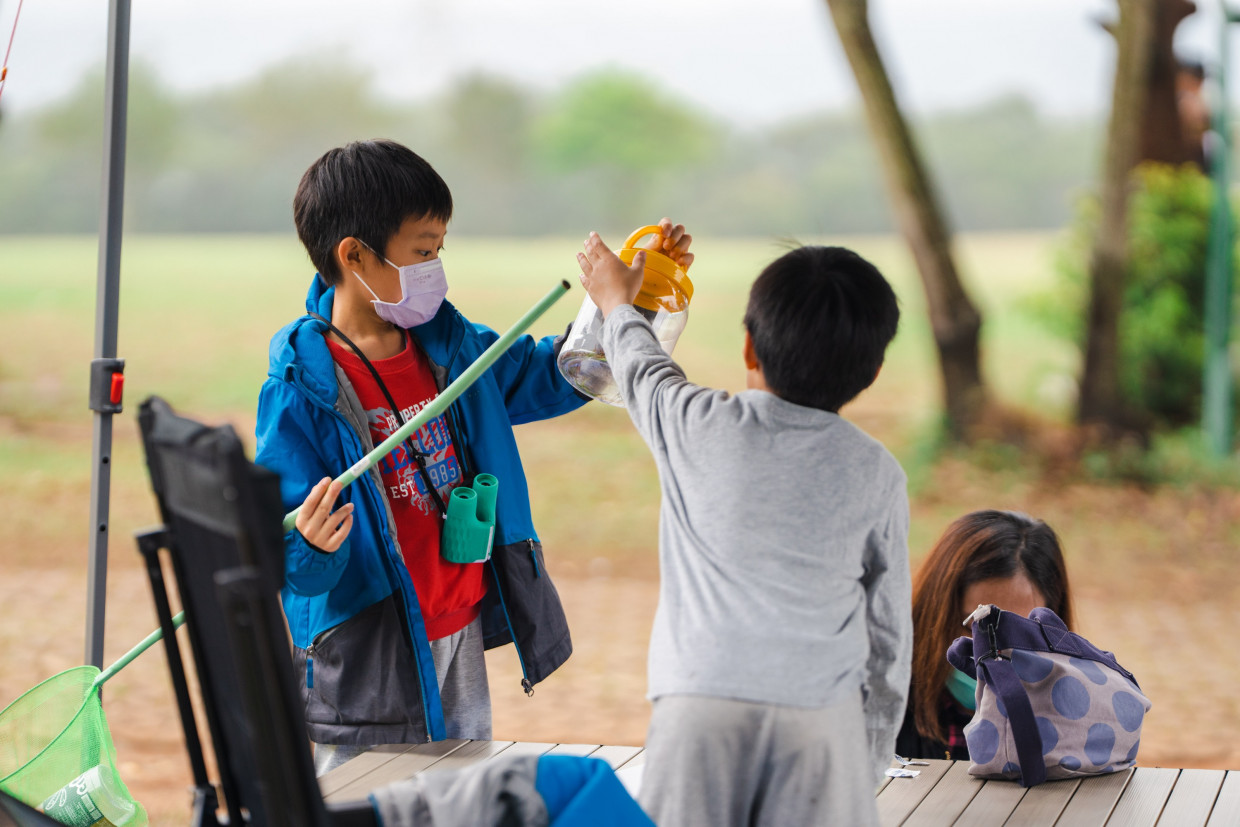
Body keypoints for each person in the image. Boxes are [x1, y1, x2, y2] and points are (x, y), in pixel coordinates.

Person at [254, 138, 692, 776]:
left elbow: (560, 374)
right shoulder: (301, 387)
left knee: (459, 794)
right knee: (365, 799)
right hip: (370, 646)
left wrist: (633, 297)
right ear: (354, 255)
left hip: (455, 625)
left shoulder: (453, 348)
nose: (436, 267)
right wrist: (310, 545)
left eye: (440, 249)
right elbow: (286, 550)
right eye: (422, 251)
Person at [576, 237, 911, 826]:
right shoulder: (876, 472)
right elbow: (888, 634)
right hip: (818, 719)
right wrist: (866, 762)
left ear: (750, 346)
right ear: (874, 371)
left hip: (699, 710)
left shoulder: (695, 424)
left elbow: (640, 365)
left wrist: (618, 301)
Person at [894, 509, 1074, 762]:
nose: (994, 654)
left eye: (1020, 632)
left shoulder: (1072, 718)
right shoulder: (877, 700)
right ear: (934, 613)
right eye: (974, 628)